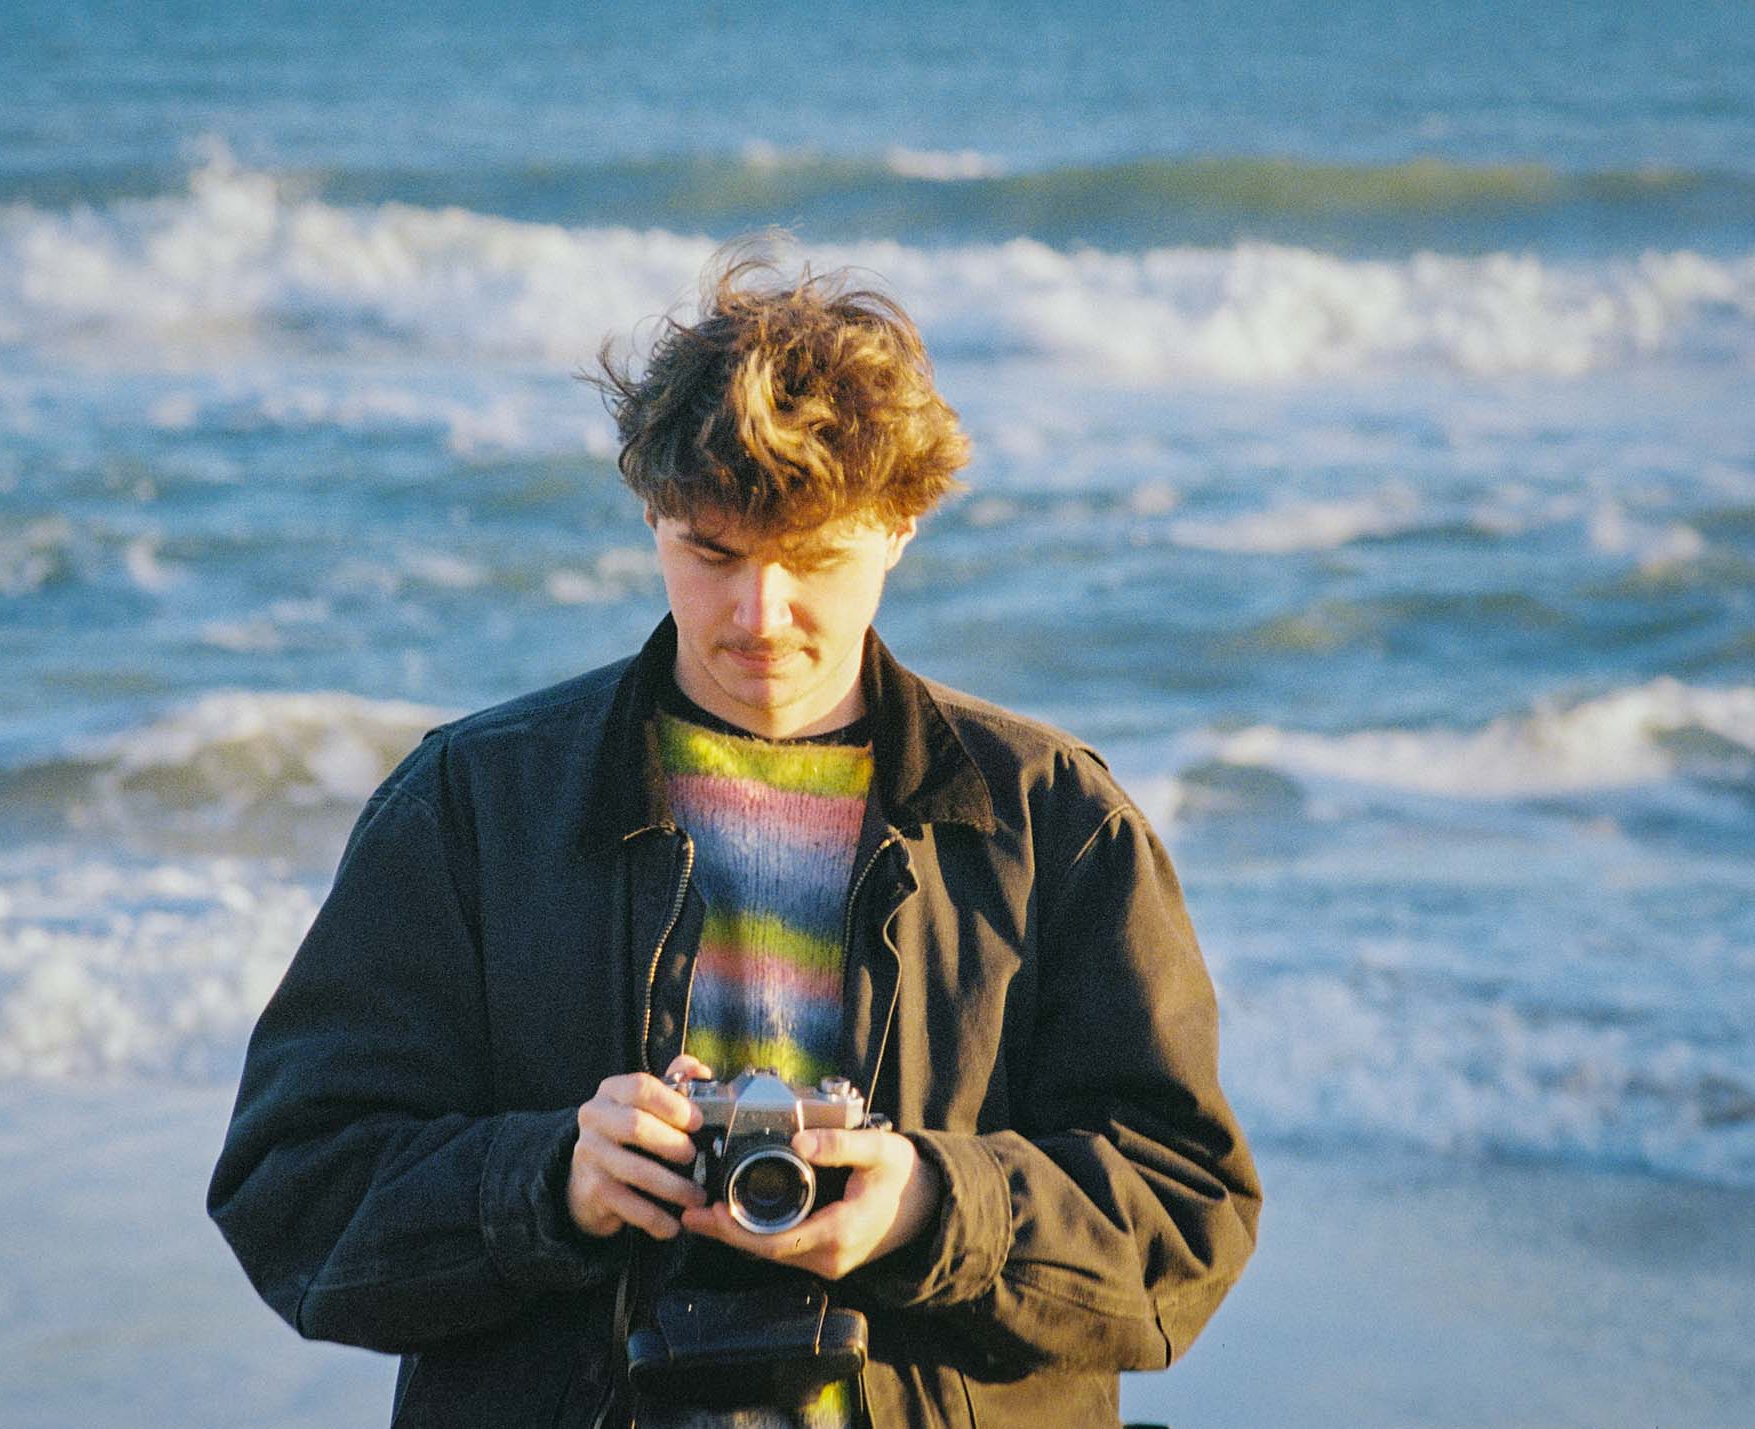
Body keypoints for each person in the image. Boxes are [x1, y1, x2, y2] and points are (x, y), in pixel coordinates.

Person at [207, 249, 1260, 1429]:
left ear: (902, 526)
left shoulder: (1053, 822)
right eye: (711, 553)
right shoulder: (470, 805)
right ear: (652, 514)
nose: (760, 614)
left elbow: (1190, 1214)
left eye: (812, 556)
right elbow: (287, 1190)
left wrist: (929, 1204)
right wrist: (552, 1179)